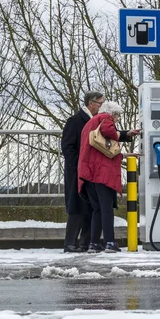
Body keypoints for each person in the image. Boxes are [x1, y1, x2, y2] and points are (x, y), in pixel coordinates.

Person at [78, 101, 140, 253]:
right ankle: (110, 242)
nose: (117, 120)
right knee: (106, 209)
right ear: (112, 114)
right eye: (117, 116)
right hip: (101, 173)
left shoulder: (89, 124)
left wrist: (124, 150)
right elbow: (109, 131)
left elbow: (101, 149)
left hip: (89, 172)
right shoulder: (105, 119)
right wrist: (123, 134)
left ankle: (93, 243)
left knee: (97, 209)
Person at [61, 91, 105, 253]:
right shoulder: (75, 121)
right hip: (77, 171)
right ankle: (70, 242)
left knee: (90, 206)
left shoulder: (96, 121)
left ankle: (85, 242)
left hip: (91, 170)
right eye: (100, 103)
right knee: (76, 206)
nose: (101, 107)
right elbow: (67, 147)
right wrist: (78, 165)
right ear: (91, 103)